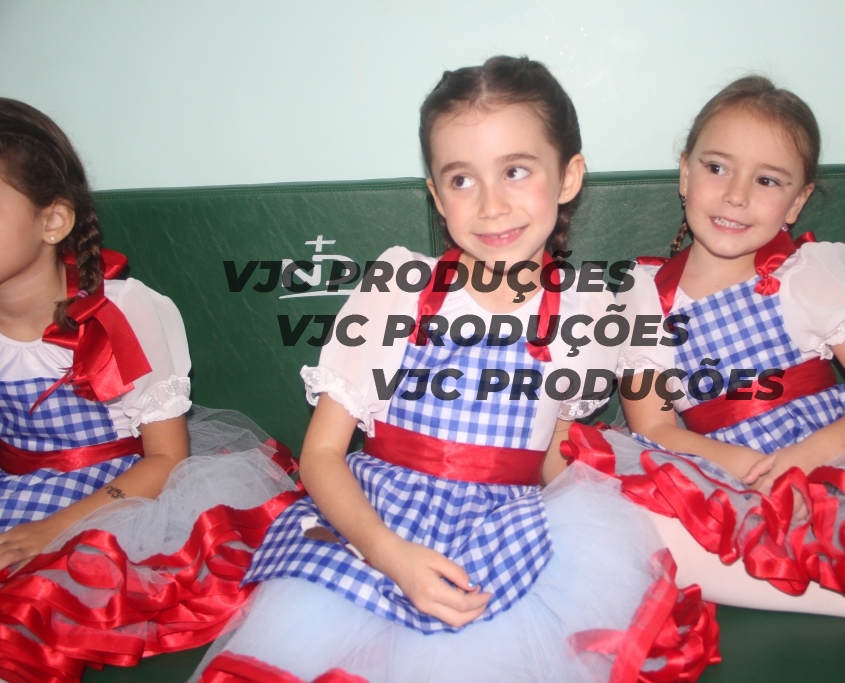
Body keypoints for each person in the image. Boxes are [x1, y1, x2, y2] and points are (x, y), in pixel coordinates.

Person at [192, 56, 719, 683]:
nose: (492, 205)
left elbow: (552, 455)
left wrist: (600, 529)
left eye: (516, 170)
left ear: (568, 176)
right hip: (376, 529)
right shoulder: (399, 289)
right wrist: (390, 555)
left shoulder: (588, 312)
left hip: (502, 538)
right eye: (463, 180)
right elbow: (322, 456)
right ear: (437, 195)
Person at [563, 75, 845, 683]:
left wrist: (808, 459)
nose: (735, 196)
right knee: (633, 528)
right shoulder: (643, 300)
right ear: (684, 174)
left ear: (797, 201)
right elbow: (655, 429)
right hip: (728, 481)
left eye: (767, 181)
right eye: (717, 168)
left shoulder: (807, 275)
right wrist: (747, 469)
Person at [0, 98, 301, 683]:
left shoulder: (121, 312)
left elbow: (164, 458)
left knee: (27, 613)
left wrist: (53, 530)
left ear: (52, 221)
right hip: (16, 488)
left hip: (119, 494)